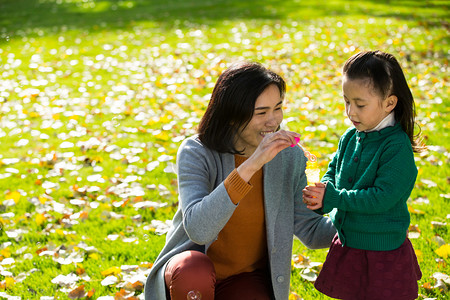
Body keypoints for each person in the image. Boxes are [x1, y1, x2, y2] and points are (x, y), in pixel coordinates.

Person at [144, 61, 336, 300]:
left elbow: (311, 230)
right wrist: (253, 163)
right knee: (194, 272)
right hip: (193, 272)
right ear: (232, 116)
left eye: (278, 108)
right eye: (261, 113)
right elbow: (199, 230)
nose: (273, 121)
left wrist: (360, 213)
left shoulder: (290, 157)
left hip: (244, 278)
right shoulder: (196, 151)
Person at [303, 50, 423, 300]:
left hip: (381, 248)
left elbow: (381, 197)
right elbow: (334, 172)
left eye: (360, 104)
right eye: (347, 101)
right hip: (350, 242)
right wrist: (321, 193)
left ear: (389, 103)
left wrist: (335, 197)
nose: (351, 112)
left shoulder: (395, 146)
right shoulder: (349, 137)